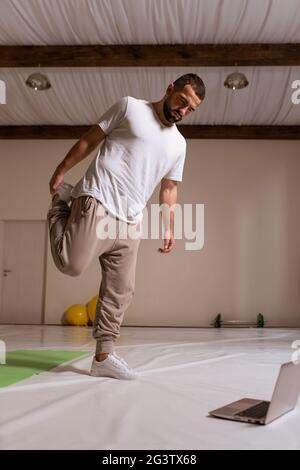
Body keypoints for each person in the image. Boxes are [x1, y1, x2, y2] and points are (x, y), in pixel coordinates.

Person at [47, 73, 205, 380]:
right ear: (170, 89)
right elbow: (89, 140)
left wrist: (169, 226)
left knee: (121, 290)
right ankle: (58, 206)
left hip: (132, 218)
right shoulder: (130, 107)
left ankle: (103, 356)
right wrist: (62, 170)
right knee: (70, 264)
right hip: (99, 198)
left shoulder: (179, 144)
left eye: (190, 109)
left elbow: (169, 188)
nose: (182, 111)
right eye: (181, 101)